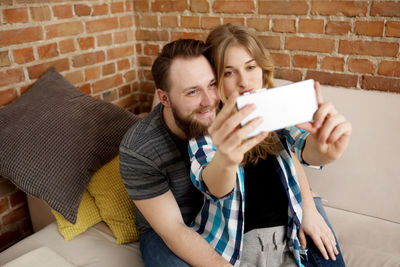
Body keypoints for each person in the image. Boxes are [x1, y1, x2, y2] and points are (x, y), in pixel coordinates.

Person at [188, 24, 351, 267]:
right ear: (215, 81)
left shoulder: (278, 111)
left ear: (263, 69)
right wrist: (226, 159)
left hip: (289, 243)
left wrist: (325, 150)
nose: (244, 82)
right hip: (236, 253)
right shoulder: (205, 129)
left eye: (251, 67)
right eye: (229, 73)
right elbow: (213, 184)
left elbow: (307, 150)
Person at [119, 39, 233, 266]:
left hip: (221, 214)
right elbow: (173, 229)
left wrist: (308, 206)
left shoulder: (228, 110)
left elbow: (279, 149)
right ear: (164, 98)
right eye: (192, 91)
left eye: (211, 84)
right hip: (168, 227)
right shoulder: (138, 148)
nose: (209, 101)